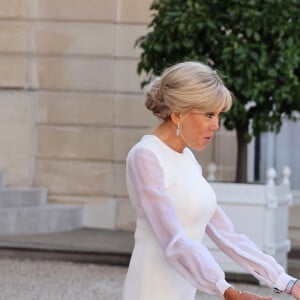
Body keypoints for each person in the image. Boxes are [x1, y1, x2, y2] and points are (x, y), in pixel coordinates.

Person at [122, 61, 300, 300]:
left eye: (217, 115)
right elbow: (174, 240)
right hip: (152, 287)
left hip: (184, 288)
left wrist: (286, 282)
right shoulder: (145, 156)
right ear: (178, 114)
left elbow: (228, 237)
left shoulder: (187, 158)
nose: (216, 125)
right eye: (208, 114)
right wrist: (225, 289)